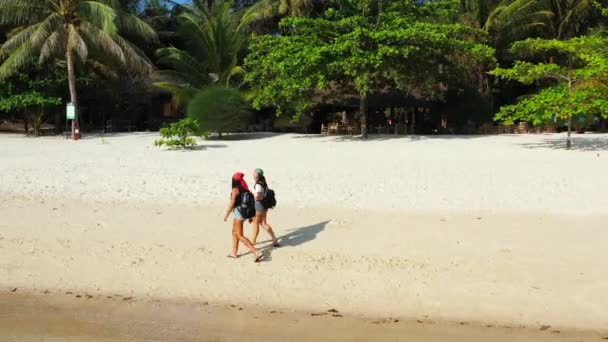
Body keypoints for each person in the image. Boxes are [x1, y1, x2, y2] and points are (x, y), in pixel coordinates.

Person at [224, 172, 262, 262]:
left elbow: (232, 203)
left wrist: (226, 215)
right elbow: (250, 203)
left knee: (239, 235)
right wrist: (250, 216)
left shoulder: (235, 190)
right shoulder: (245, 188)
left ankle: (256, 252)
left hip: (239, 214)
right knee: (234, 232)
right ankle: (234, 253)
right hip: (244, 213)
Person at [251, 168, 280, 247]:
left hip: (259, 206)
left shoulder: (258, 185)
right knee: (263, 223)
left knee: (256, 223)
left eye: (255, 174)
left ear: (258, 175)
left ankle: (253, 241)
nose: (253, 175)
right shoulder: (263, 182)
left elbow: (258, 197)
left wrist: (252, 192)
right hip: (264, 206)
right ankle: (274, 239)